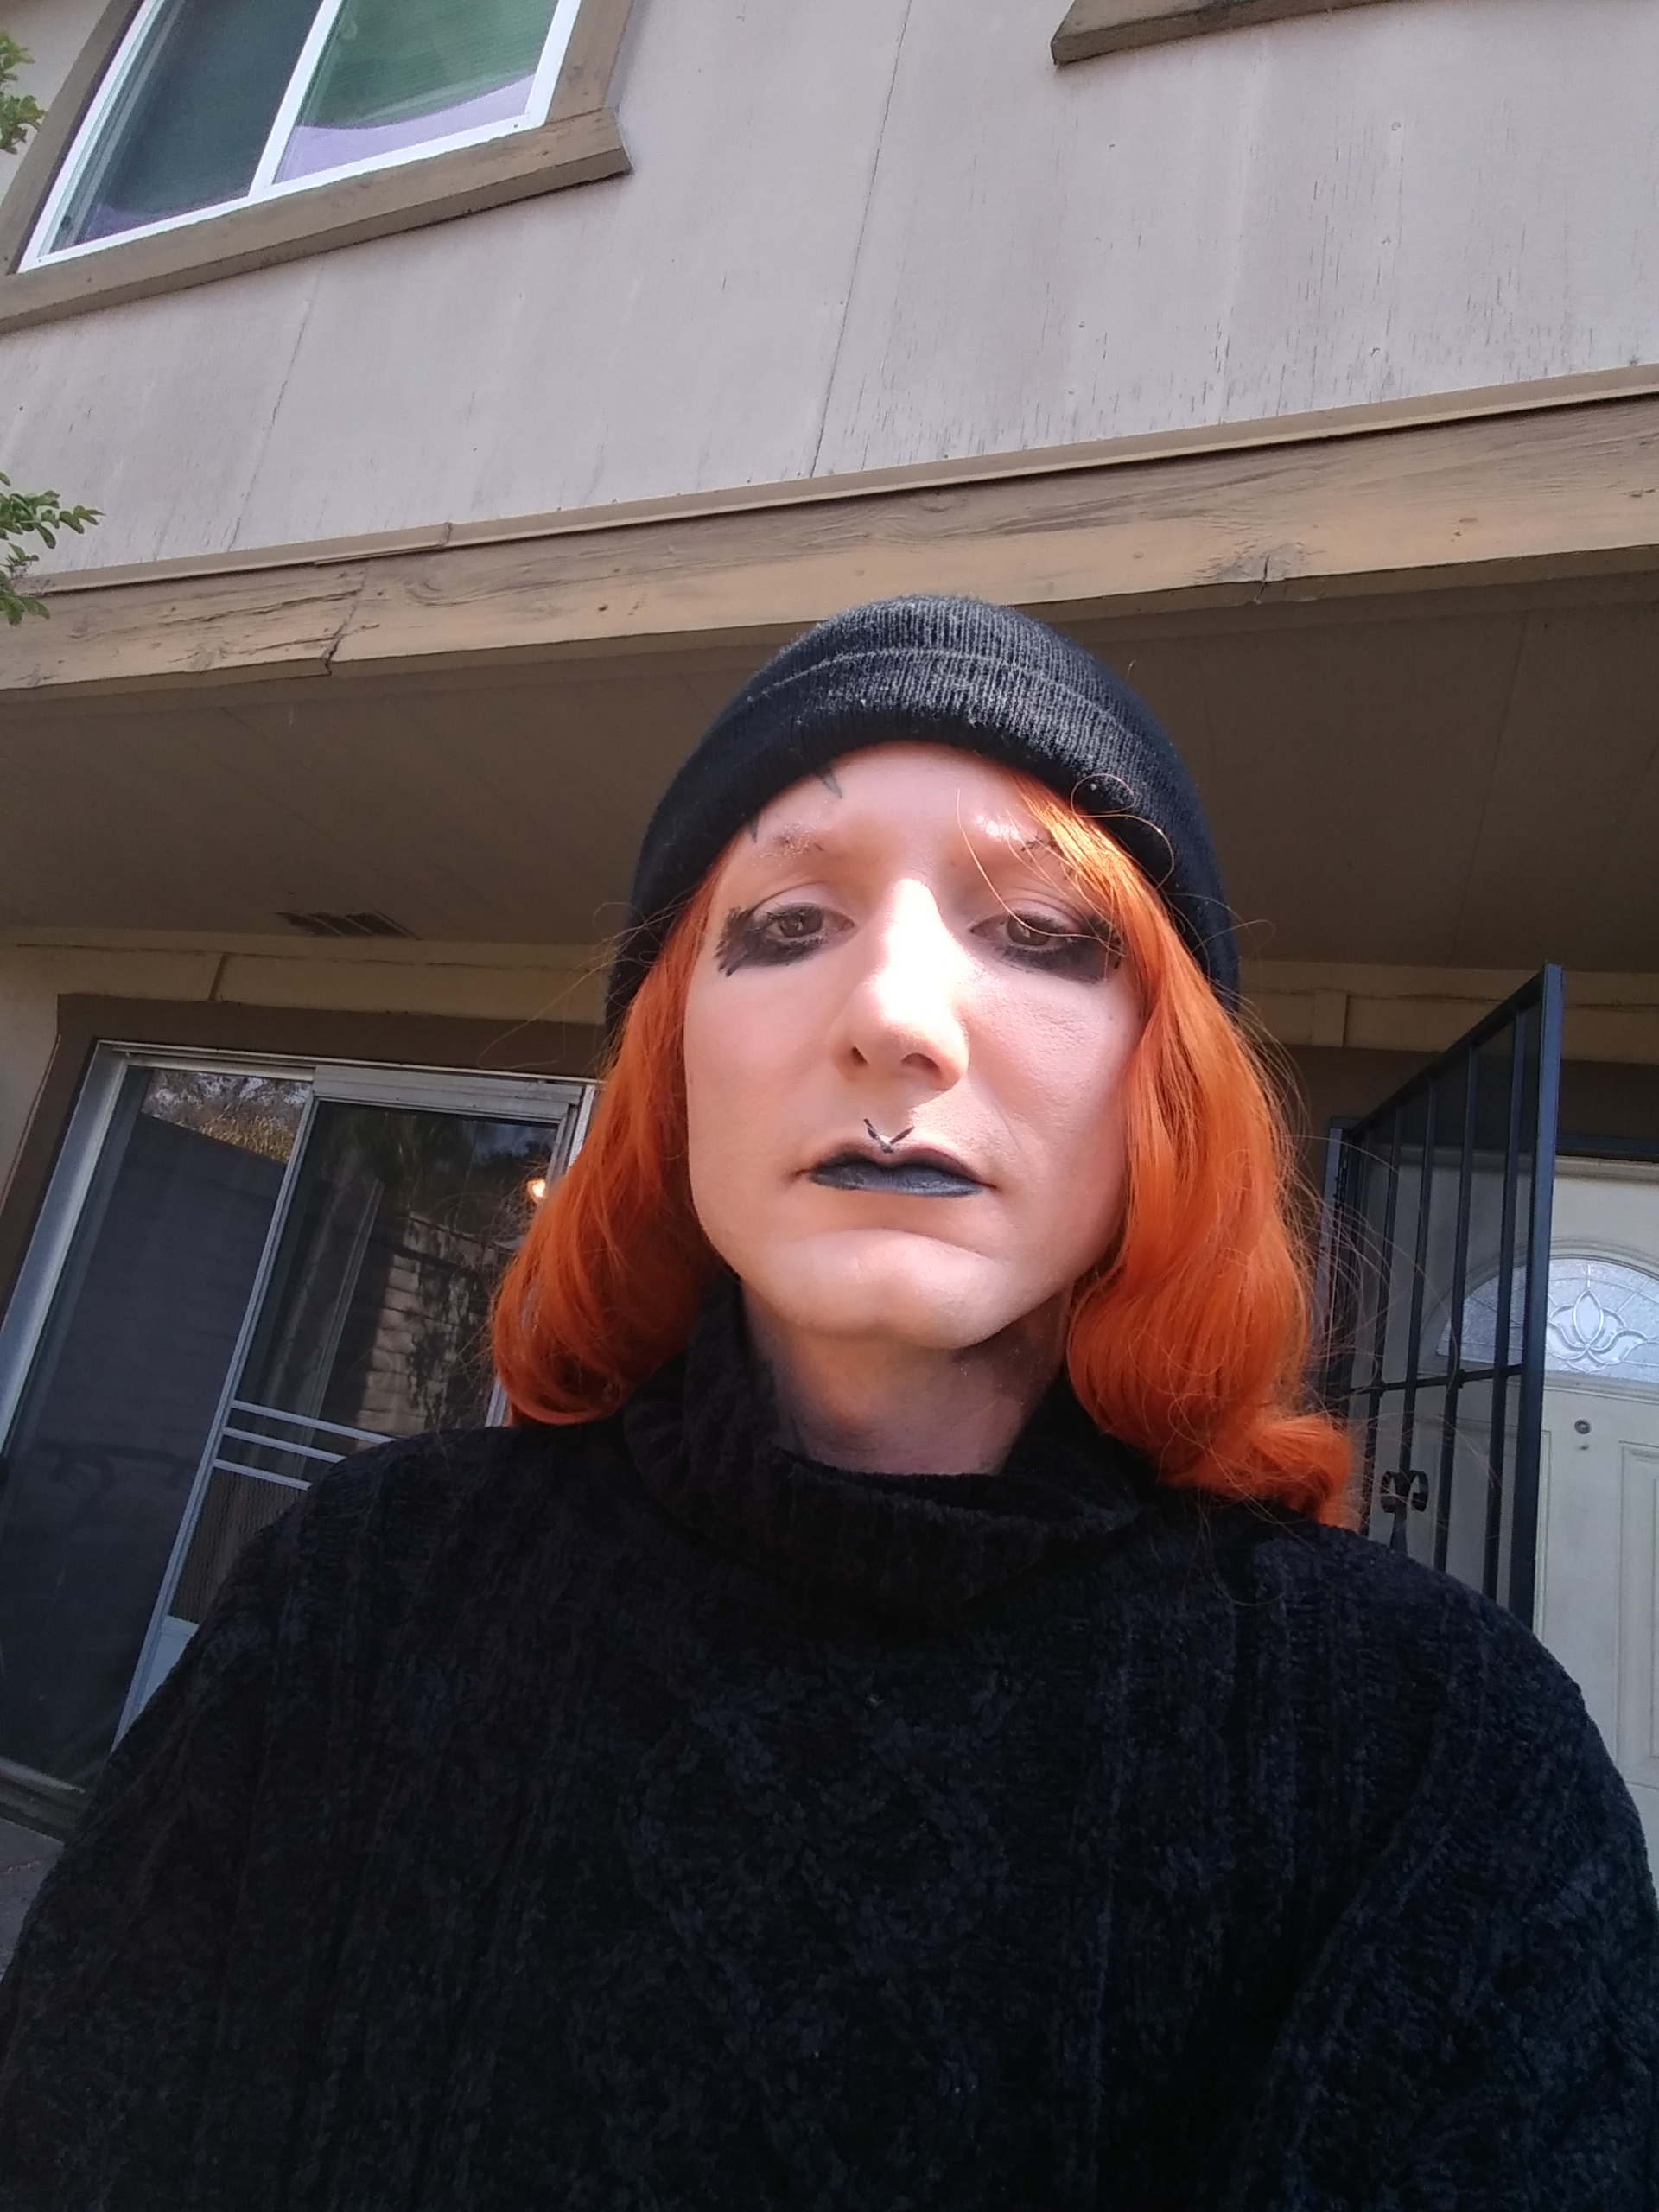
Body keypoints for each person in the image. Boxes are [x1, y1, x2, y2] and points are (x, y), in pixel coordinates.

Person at [0, 595, 1654, 2209]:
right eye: (789, 926)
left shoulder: (1435, 1753)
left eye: (1044, 934)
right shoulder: (368, 1588)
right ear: (673, 1066)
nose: (894, 1020)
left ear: (1165, 1083)